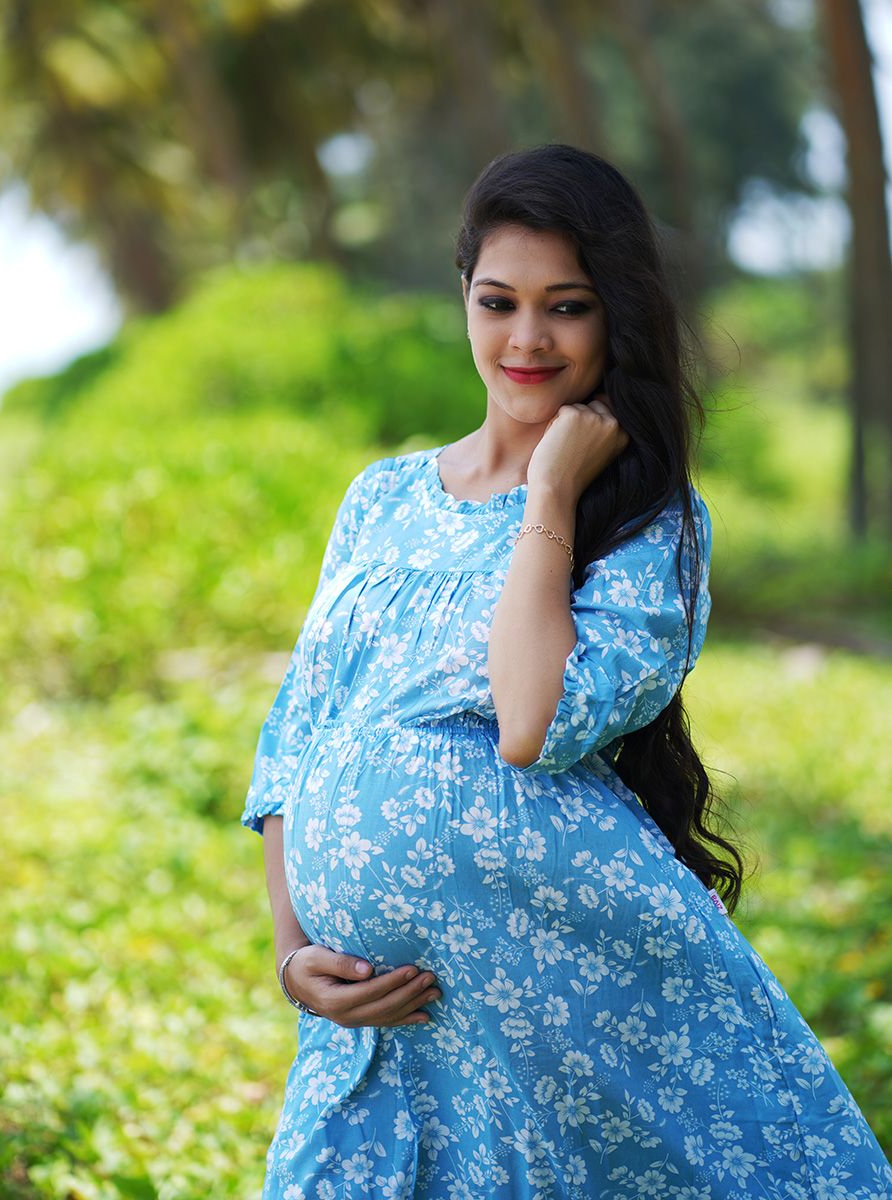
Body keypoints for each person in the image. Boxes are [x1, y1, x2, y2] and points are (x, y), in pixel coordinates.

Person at [241, 144, 891, 1199]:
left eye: (568, 307)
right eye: (499, 301)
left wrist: (549, 493)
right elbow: (298, 732)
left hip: (561, 1003)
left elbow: (531, 724)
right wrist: (290, 955)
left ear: (616, 317)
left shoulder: (645, 521)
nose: (527, 338)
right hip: (381, 1025)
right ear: (463, 297)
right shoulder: (381, 496)